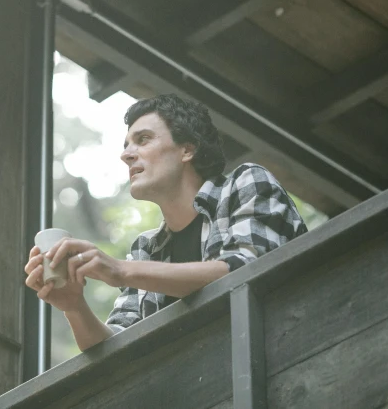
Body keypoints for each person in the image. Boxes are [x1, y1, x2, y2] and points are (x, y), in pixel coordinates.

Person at [24, 94, 307, 351]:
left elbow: (246, 270)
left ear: (187, 150)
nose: (126, 154)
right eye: (126, 145)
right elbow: (115, 350)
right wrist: (74, 307)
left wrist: (120, 270)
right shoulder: (146, 249)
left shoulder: (246, 182)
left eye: (143, 139)